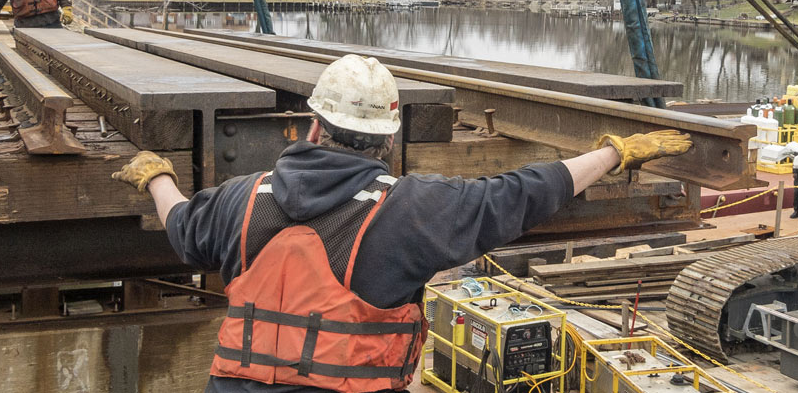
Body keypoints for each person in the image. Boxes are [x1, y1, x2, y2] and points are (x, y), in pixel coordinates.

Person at [110, 54, 692, 393]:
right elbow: (521, 195)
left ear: (313, 128)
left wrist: (158, 175)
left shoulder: (243, 197)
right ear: (389, 141)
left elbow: (183, 228)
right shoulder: (412, 209)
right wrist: (613, 153)